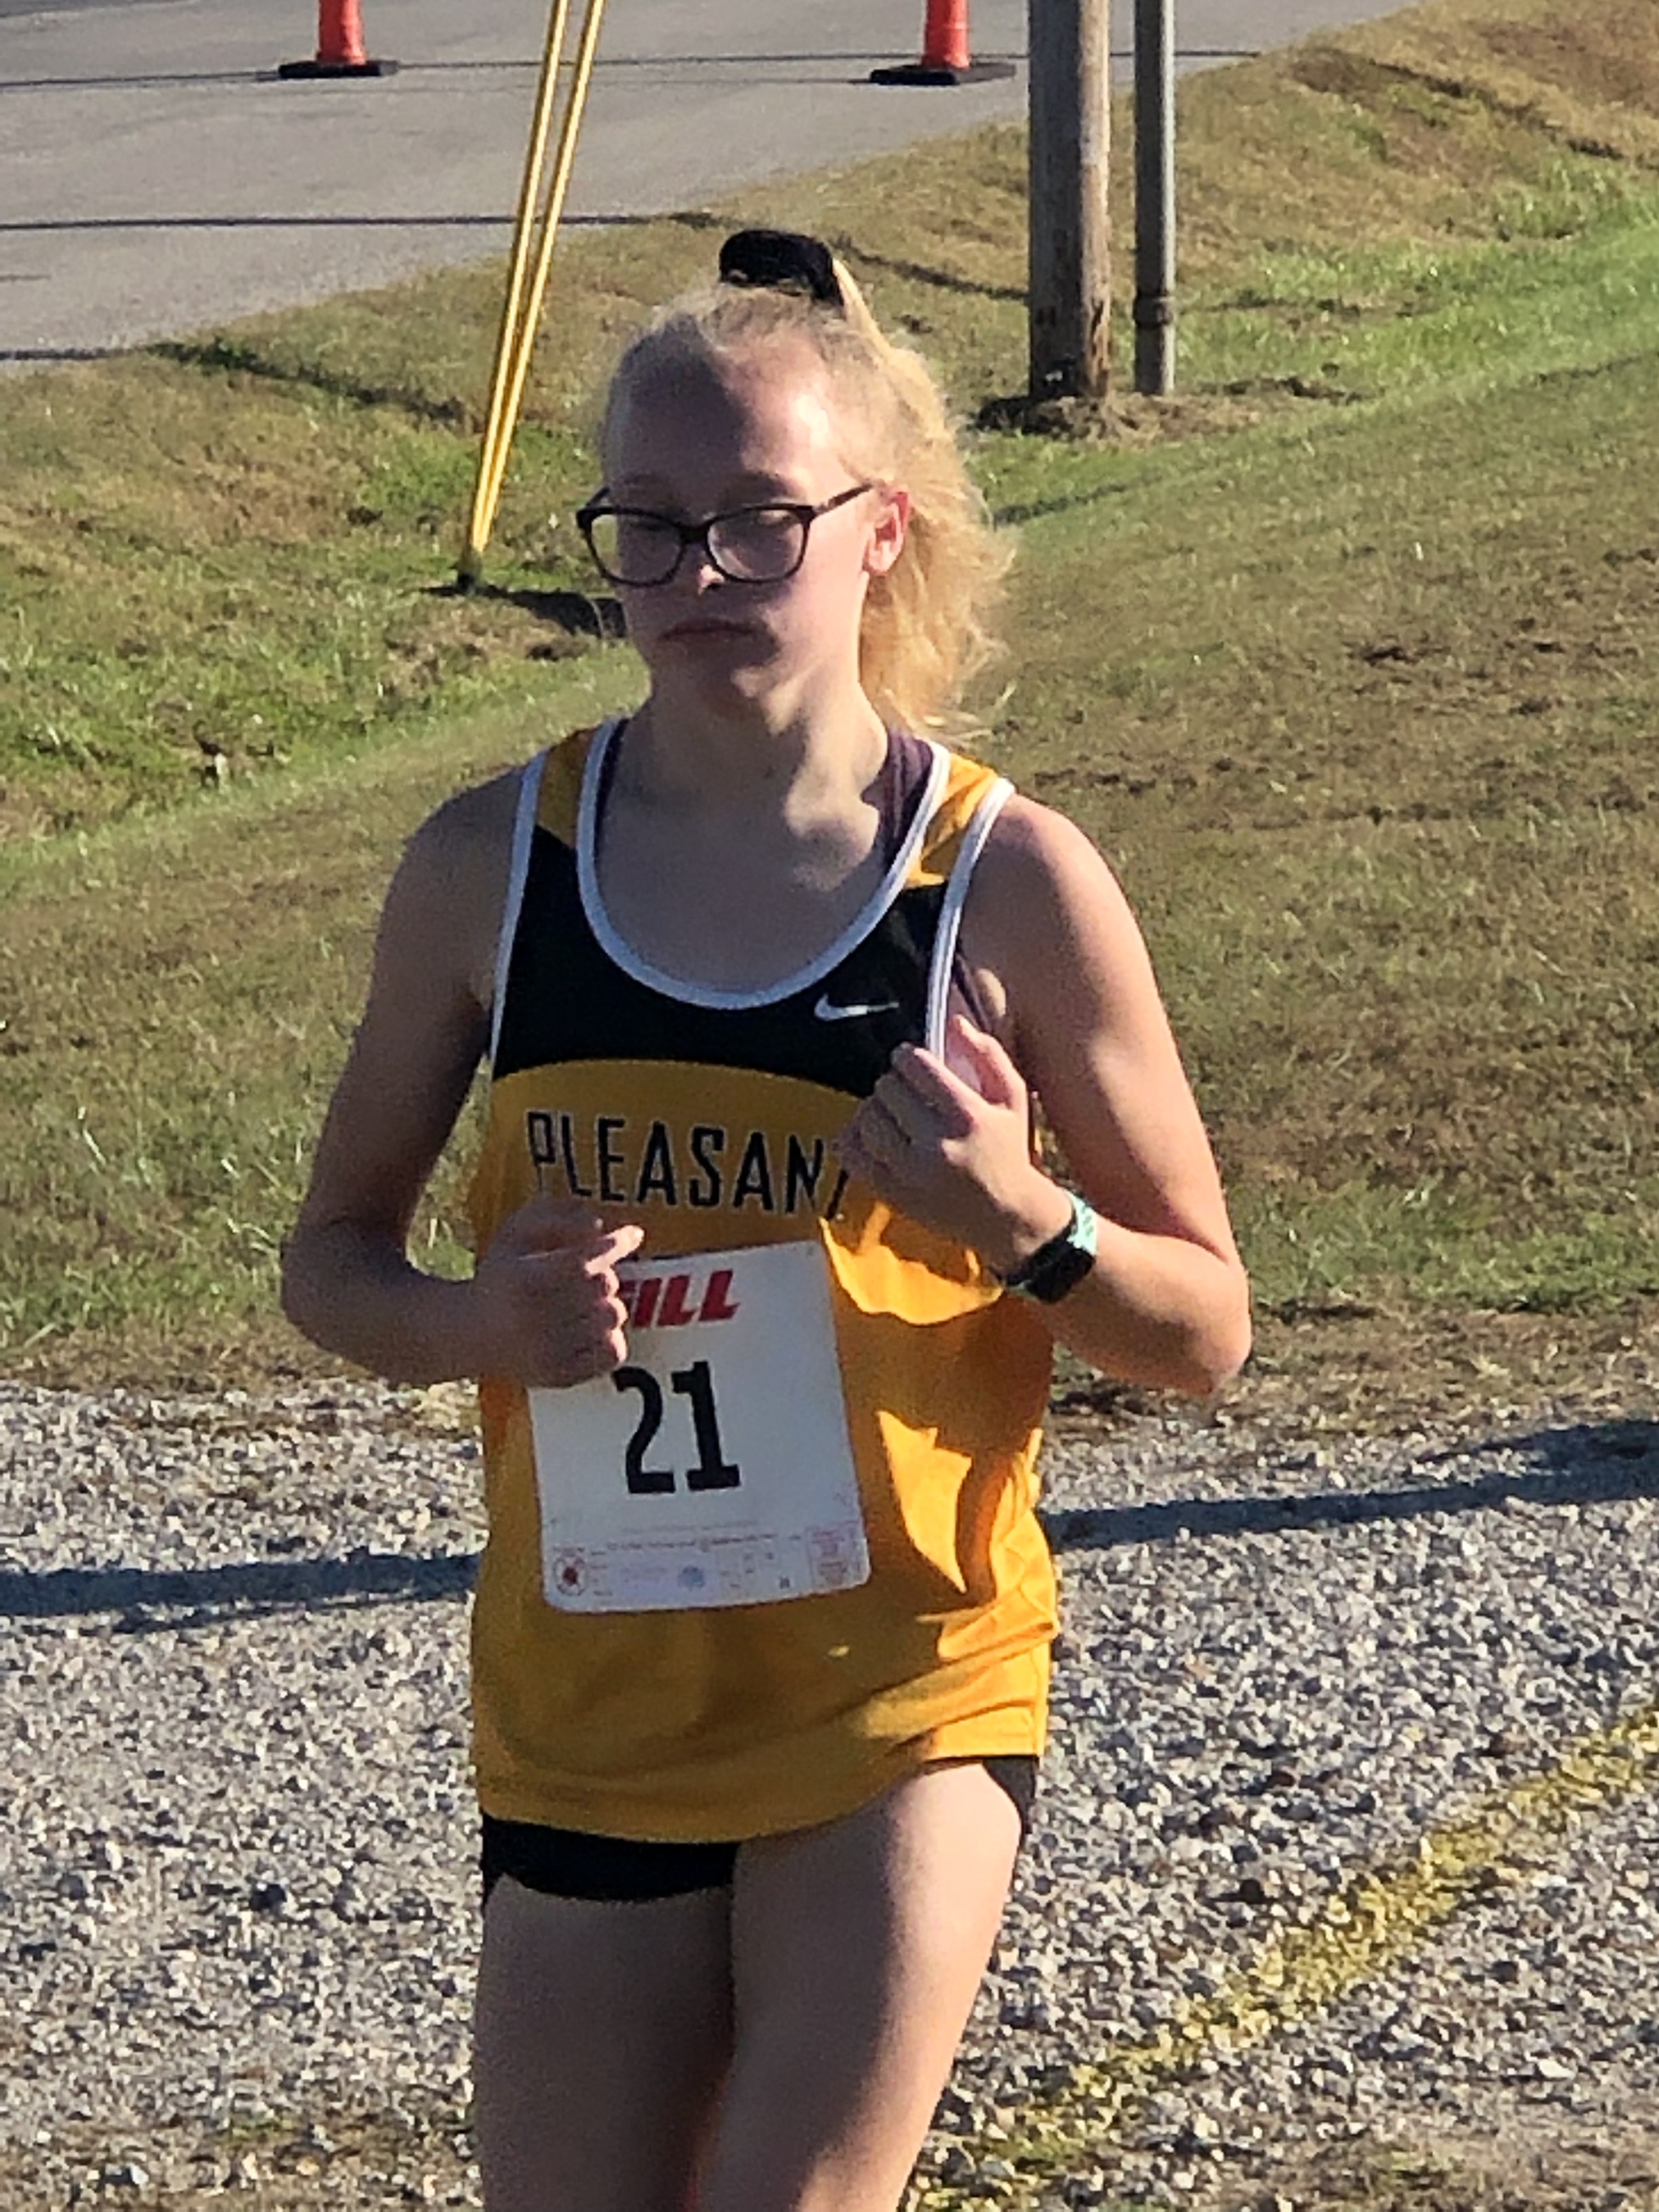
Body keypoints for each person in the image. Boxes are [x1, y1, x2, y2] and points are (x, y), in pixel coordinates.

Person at [281, 228, 1250, 2212]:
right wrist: (480, 1329)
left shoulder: (1005, 885)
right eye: (649, 529)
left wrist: (1026, 1222)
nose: (701, 576)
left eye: (758, 523)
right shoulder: (489, 871)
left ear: (878, 531)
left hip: (898, 1690)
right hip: (592, 1703)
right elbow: (331, 1263)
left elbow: (1205, 1331)